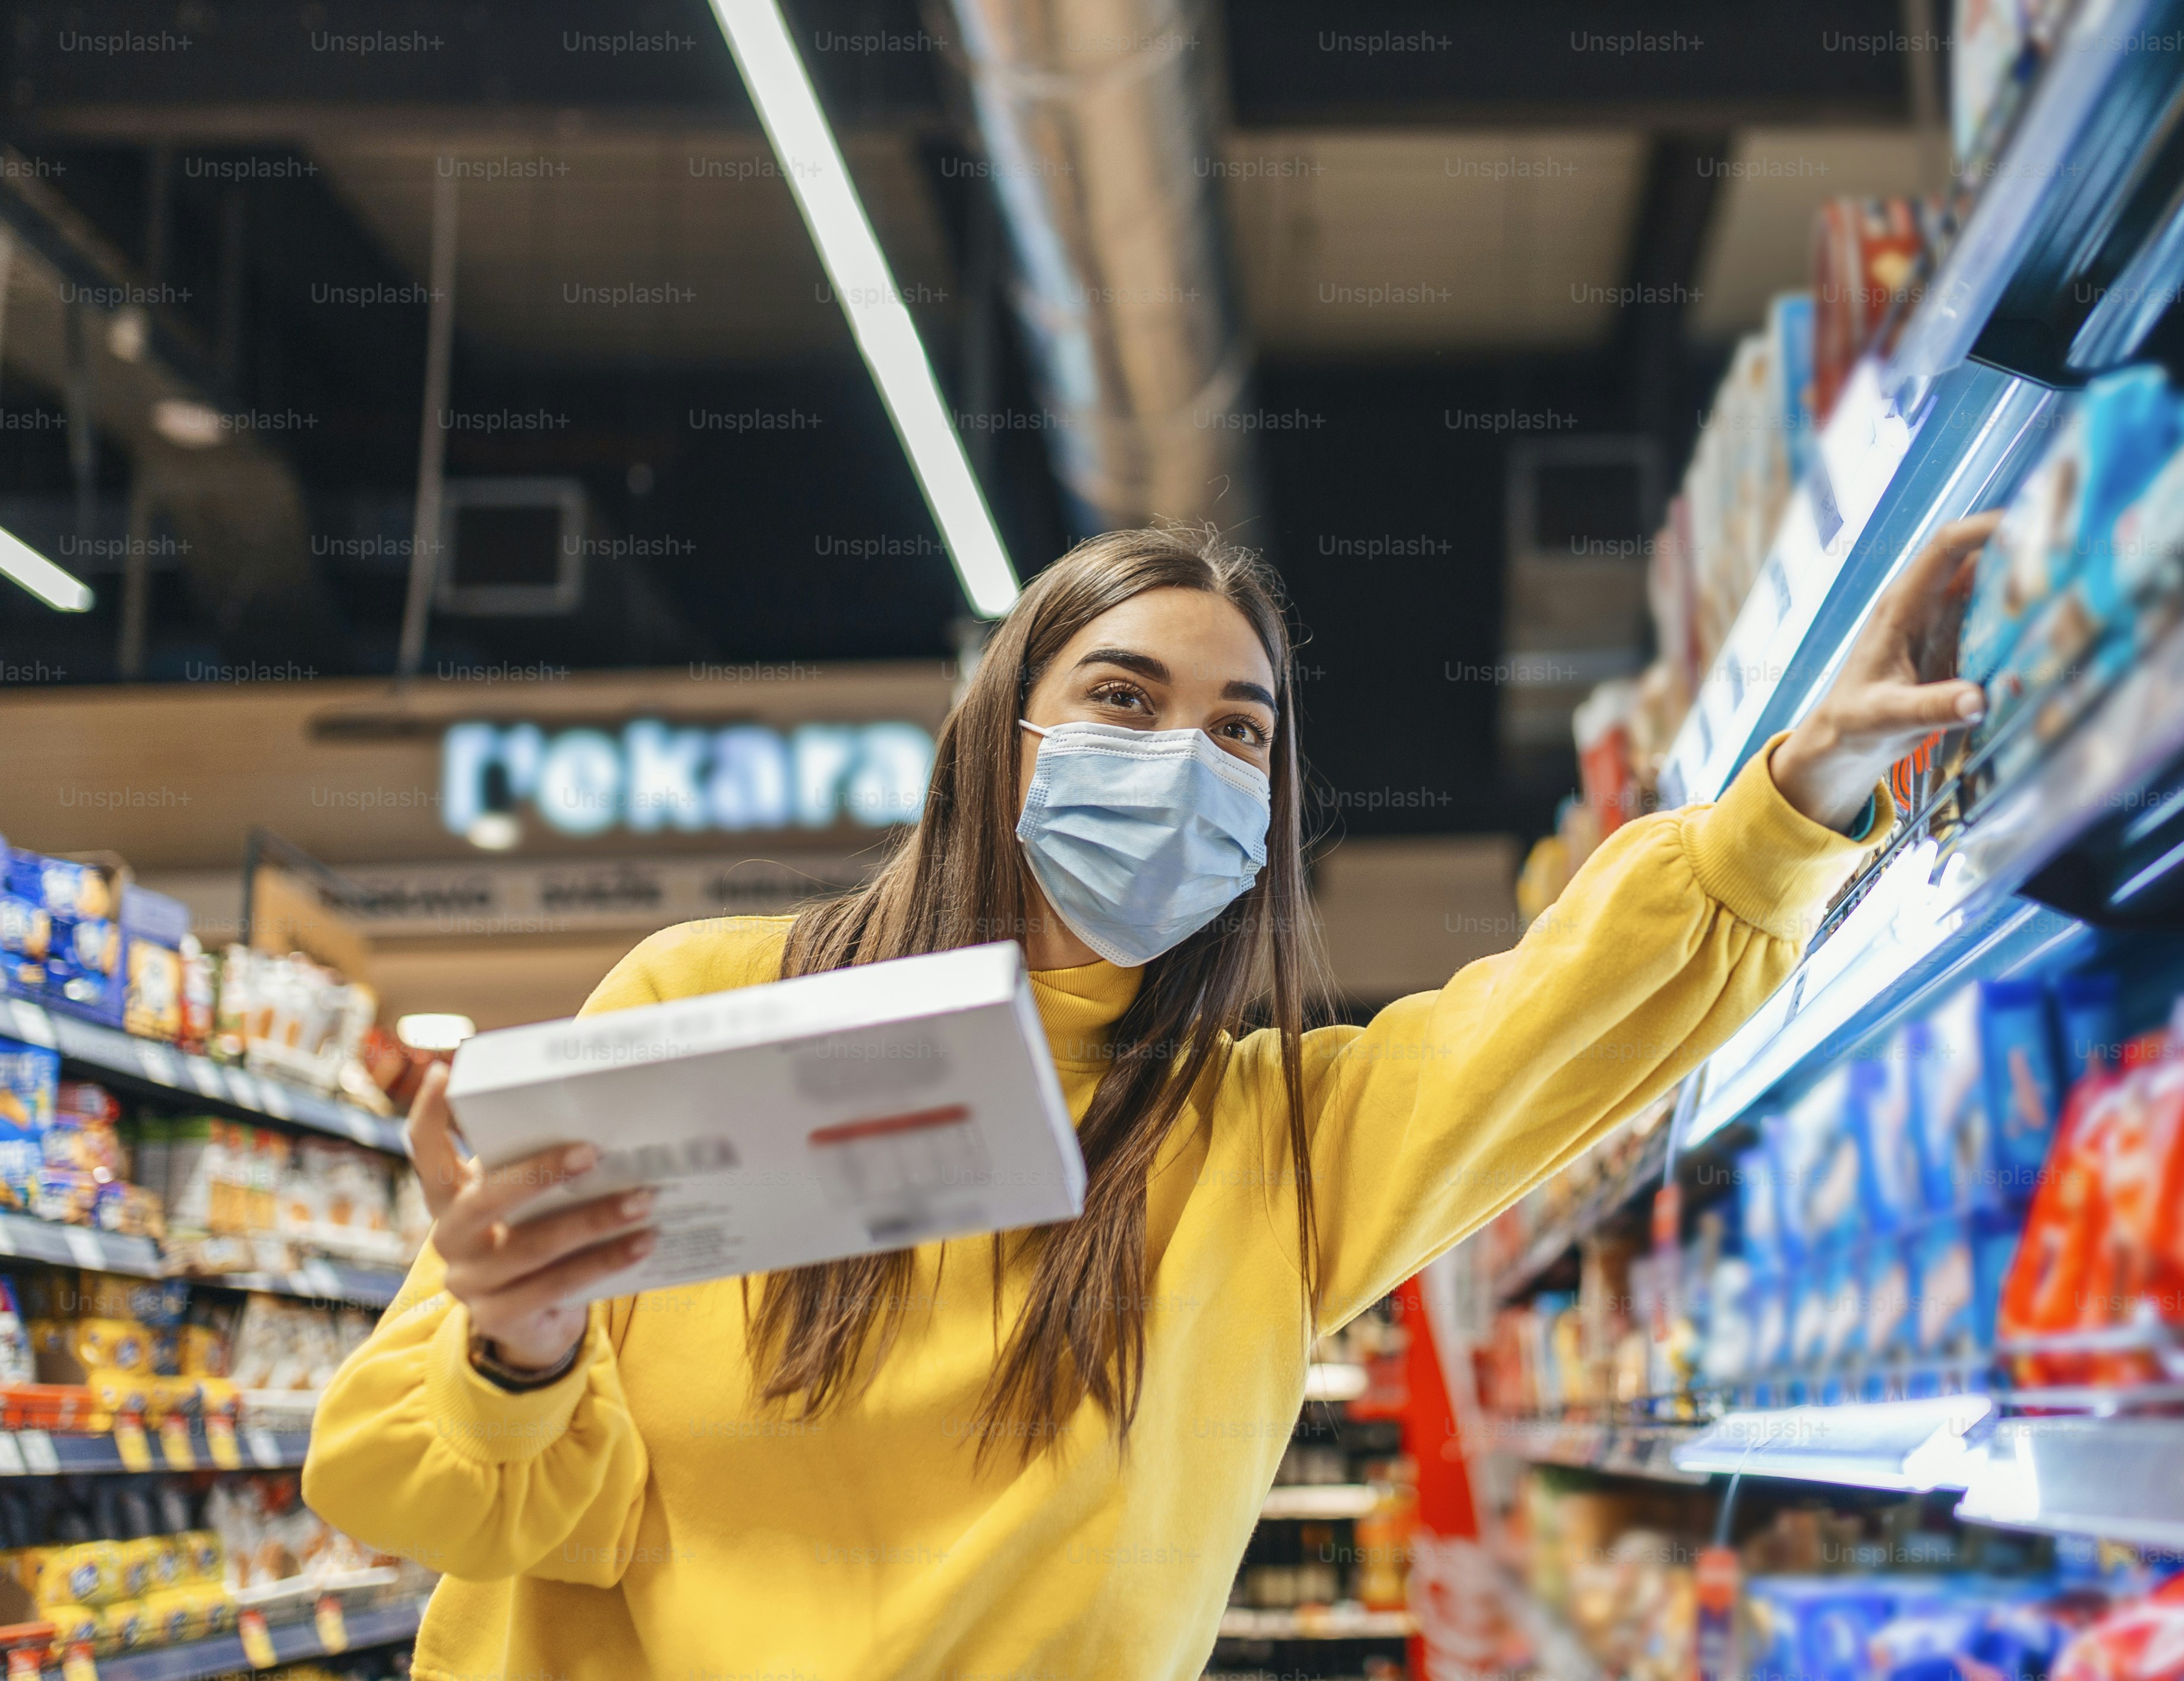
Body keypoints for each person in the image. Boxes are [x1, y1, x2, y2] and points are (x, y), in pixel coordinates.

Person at [306, 514, 1999, 1679]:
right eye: (1124, 697)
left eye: (1240, 732)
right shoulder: (712, 1004)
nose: (1184, 758)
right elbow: (408, 1488)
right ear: (1000, 733)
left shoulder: (1265, 1145)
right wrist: (514, 1353)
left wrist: (1798, 789)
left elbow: (1552, 1015)